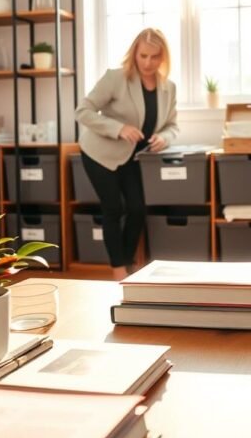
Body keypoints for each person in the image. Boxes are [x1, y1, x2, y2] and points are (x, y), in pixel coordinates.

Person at [75, 28, 178, 279]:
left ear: (163, 57)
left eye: (154, 57)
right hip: (99, 152)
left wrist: (163, 138)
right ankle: (119, 270)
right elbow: (83, 111)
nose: (148, 62)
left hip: (132, 157)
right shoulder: (116, 78)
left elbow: (172, 125)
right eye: (143, 55)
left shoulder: (169, 88)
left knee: (137, 209)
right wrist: (118, 128)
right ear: (134, 53)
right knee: (113, 208)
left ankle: (128, 262)